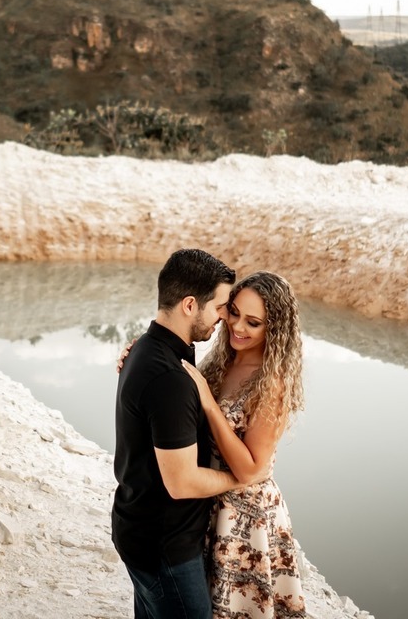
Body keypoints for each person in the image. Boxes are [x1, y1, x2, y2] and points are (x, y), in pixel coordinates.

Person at [113, 248, 260, 619]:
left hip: (139, 527)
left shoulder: (154, 349)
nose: (225, 318)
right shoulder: (168, 376)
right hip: (165, 547)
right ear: (191, 305)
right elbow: (181, 482)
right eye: (222, 306)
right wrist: (239, 478)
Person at [182, 271, 308, 619]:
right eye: (234, 312)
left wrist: (209, 403)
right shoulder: (223, 357)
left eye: (253, 322)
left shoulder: (272, 381)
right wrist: (138, 356)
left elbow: (251, 468)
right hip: (207, 497)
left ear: (275, 329)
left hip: (246, 515)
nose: (237, 326)